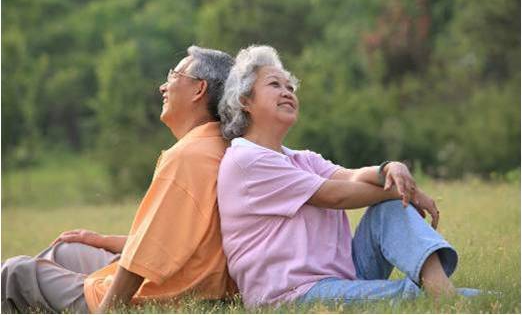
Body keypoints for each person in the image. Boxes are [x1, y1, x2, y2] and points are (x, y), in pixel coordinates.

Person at [216, 45, 479, 309]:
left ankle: (442, 293)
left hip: (338, 278)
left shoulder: (300, 158)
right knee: (414, 297)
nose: (287, 92)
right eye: (275, 85)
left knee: (389, 208)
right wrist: (401, 191)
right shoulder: (246, 160)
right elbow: (335, 195)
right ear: (244, 100)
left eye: (290, 88)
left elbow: (351, 177)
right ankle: (451, 299)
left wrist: (389, 169)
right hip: (290, 294)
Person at [2, 46, 237, 313]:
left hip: (161, 297)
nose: (163, 87)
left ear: (199, 89)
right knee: (64, 251)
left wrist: (107, 309)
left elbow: (147, 257)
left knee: (14, 273)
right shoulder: (219, 145)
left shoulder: (188, 156)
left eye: (173, 75)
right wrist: (103, 239)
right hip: (191, 283)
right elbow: (176, 244)